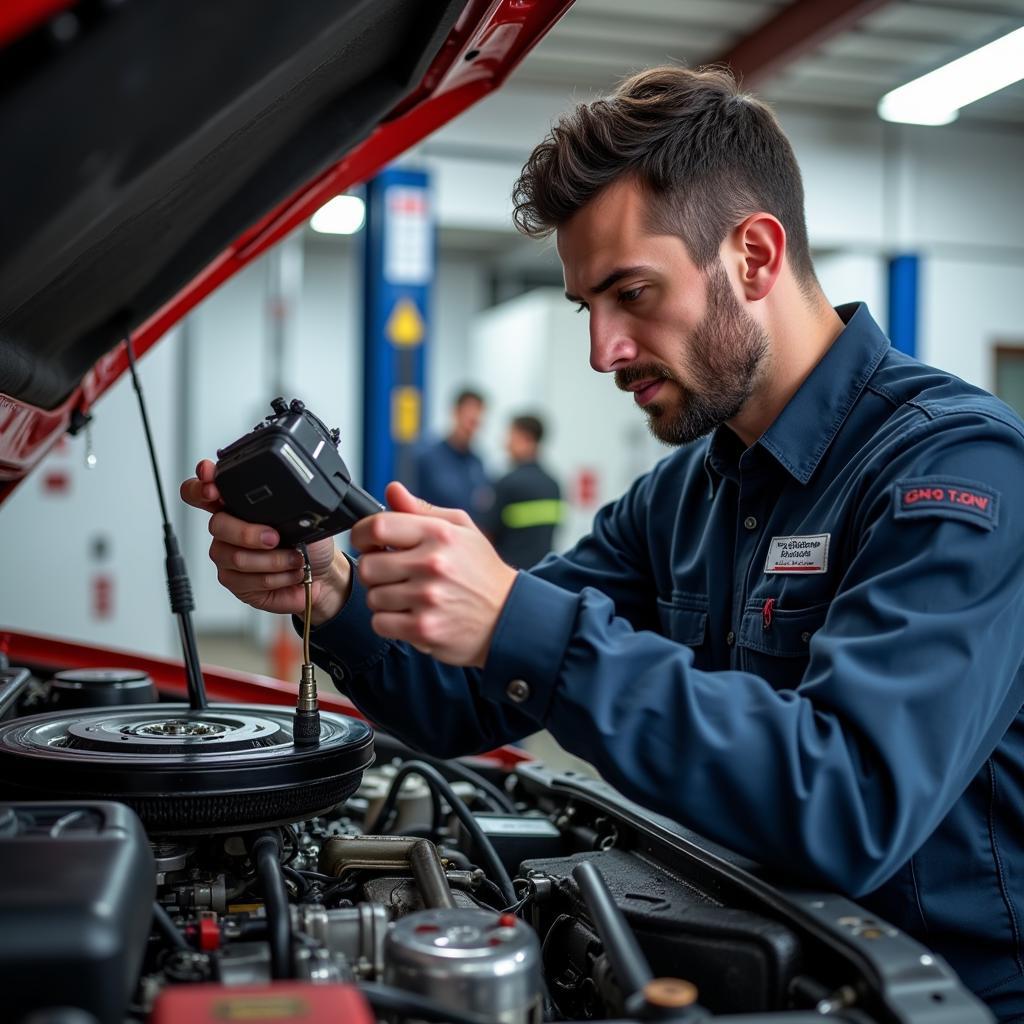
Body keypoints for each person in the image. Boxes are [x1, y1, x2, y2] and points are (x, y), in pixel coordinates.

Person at [182, 66, 1024, 1020]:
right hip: (763, 950)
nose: (603, 351)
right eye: (590, 307)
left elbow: (853, 801)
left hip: (949, 994)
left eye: (633, 293)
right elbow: (461, 700)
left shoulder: (956, 471)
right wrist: (332, 593)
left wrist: (527, 622)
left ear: (754, 255)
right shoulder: (688, 494)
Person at [483, 414, 562, 568]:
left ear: (526, 439)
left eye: (511, 436)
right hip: (543, 575)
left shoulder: (507, 483)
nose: (506, 444)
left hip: (510, 576)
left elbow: (487, 535)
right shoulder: (554, 485)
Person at [412, 387, 491, 521]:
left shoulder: (477, 463)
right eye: (469, 420)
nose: (471, 428)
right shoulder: (427, 458)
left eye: (476, 422)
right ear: (456, 413)